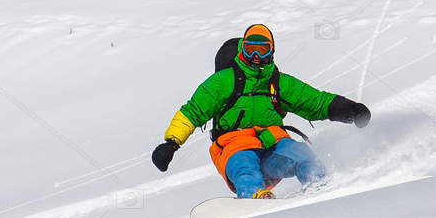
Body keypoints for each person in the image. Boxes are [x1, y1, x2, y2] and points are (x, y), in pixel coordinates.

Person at [149, 23, 371, 198]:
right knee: (245, 168)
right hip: (234, 146)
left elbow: (314, 101)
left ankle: (320, 186)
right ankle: (255, 197)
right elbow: (192, 112)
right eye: (250, 49)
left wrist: (350, 110)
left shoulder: (278, 82)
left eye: (262, 50)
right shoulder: (222, 82)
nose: (256, 56)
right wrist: (171, 143)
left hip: (273, 144)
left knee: (304, 155)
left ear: (271, 52)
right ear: (242, 49)